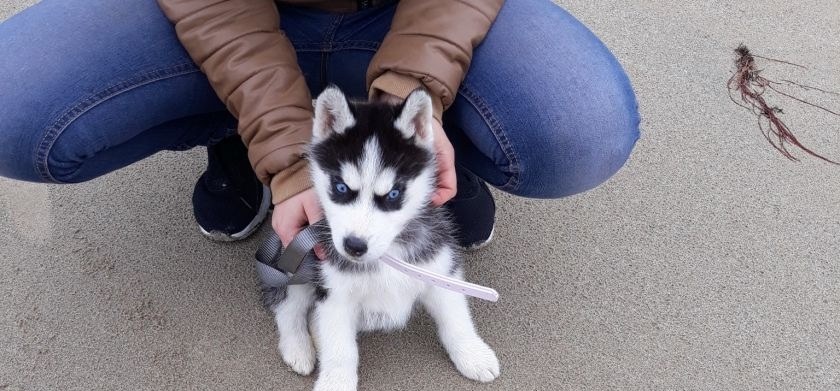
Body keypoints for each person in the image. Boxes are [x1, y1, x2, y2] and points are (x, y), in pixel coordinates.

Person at [0, 0, 639, 252]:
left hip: (404, 15)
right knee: (14, 106)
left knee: (580, 131)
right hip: (227, 12)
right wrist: (283, 153)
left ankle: (423, 157)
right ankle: (240, 136)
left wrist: (412, 107)